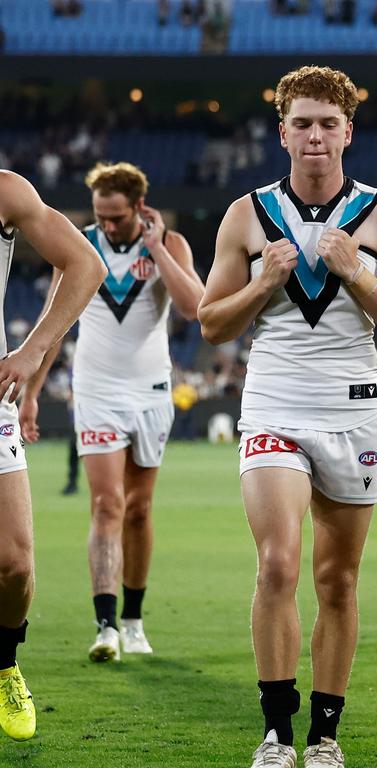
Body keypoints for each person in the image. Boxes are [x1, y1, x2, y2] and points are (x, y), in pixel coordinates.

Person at [198, 65, 377, 768]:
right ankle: (276, 731)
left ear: (348, 131)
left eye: (329, 123)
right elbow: (210, 324)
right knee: (276, 564)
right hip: (274, 402)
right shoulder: (247, 214)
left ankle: (326, 735)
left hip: (354, 409)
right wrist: (263, 282)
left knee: (339, 580)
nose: (316, 135)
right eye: (303, 122)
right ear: (282, 131)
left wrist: (359, 275)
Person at [39, 162, 204, 663]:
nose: (107, 226)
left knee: (139, 509)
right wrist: (30, 391)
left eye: (116, 217)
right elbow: (52, 321)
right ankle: (106, 624)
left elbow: (195, 307)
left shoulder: (169, 243)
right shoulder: (78, 244)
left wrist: (155, 249)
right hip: (96, 388)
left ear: (138, 207)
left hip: (151, 388)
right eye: (100, 216)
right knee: (107, 504)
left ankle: (134, 618)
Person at [0, 170, 106, 740]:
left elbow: (86, 264)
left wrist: (32, 349)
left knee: (14, 565)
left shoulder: (6, 192)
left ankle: (5, 662)